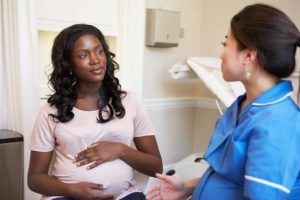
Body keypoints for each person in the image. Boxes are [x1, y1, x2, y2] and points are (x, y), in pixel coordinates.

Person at [146, 3, 300, 200]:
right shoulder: (242, 105)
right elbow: (227, 174)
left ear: (248, 55)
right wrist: (187, 187)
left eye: (225, 44)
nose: (221, 54)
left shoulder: (280, 122)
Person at [27, 24, 163, 200]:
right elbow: (35, 179)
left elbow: (156, 167)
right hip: (66, 197)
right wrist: (72, 190)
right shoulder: (52, 109)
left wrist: (121, 150)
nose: (95, 60)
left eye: (99, 51)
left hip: (123, 195)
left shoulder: (129, 101)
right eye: (84, 55)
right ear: (68, 63)